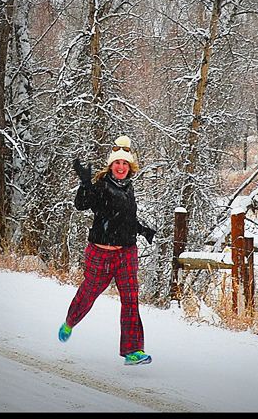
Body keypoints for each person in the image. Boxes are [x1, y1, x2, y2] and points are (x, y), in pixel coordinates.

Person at [58, 135, 156, 366]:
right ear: (111, 165)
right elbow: (82, 204)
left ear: (130, 167)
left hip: (126, 253)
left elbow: (123, 217)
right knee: (89, 293)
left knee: (131, 299)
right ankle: (70, 321)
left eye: (125, 164)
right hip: (100, 253)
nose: (121, 167)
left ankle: (133, 351)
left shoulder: (128, 188)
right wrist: (84, 184)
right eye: (117, 163)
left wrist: (142, 230)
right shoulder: (101, 186)